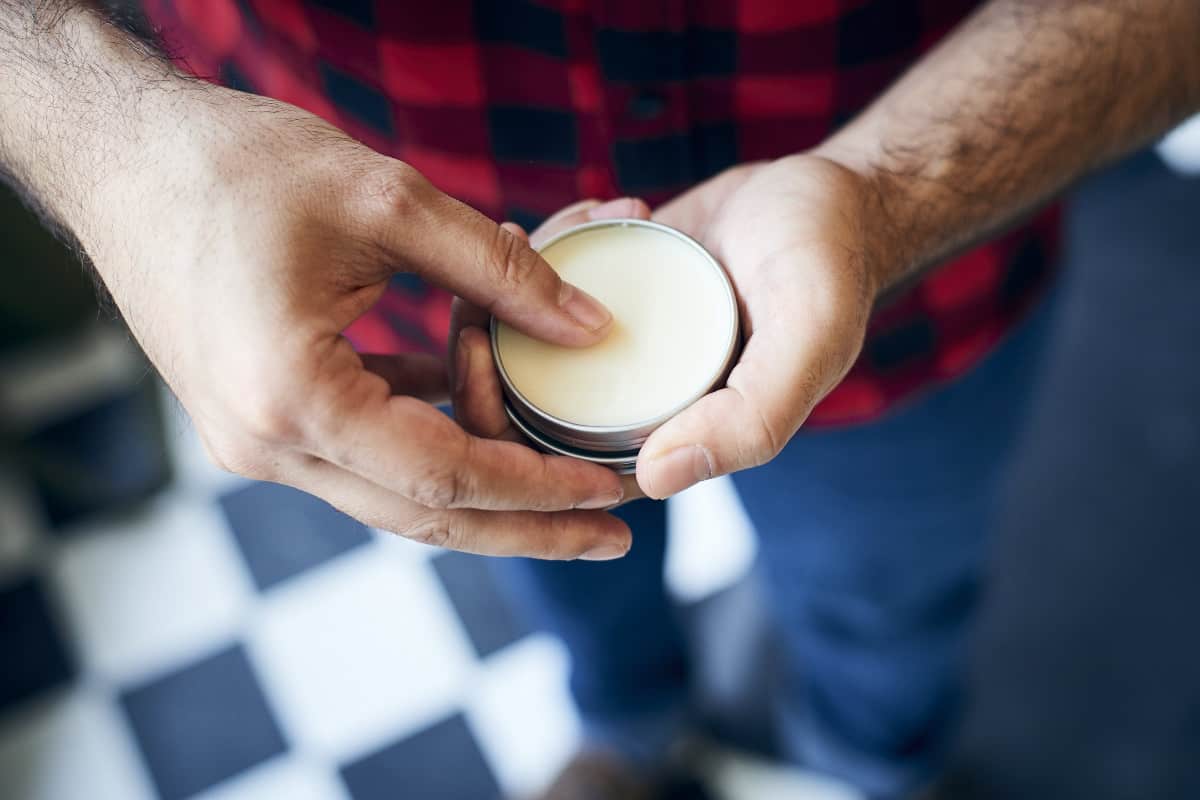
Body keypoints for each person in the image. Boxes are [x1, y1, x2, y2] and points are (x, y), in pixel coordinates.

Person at [1, 1, 1196, 797]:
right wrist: (111, 139)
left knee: (887, 599)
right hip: (420, 256)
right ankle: (625, 730)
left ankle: (870, 768)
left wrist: (884, 192)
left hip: (930, 258)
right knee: (559, 563)